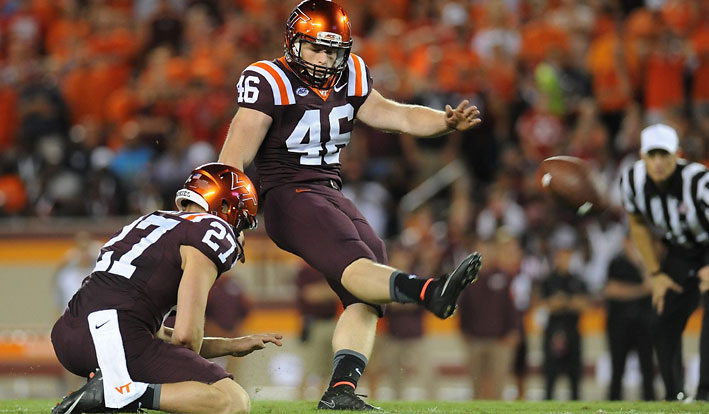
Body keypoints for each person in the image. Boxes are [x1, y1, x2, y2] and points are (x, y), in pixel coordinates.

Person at [218, 0, 483, 410]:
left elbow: (395, 115)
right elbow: (234, 156)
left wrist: (443, 121)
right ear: (294, 42)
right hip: (288, 194)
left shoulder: (353, 73)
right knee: (354, 259)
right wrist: (226, 216)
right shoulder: (268, 78)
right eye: (317, 49)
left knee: (368, 280)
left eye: (333, 50)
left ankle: (341, 391)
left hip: (329, 190)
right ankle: (429, 291)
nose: (326, 59)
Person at [50, 163, 283, 414]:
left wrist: (230, 345)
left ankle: (112, 396)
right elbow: (185, 340)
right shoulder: (213, 232)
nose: (238, 231)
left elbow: (157, 336)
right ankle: (116, 394)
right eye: (240, 222)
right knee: (232, 401)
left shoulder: (154, 220)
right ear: (226, 207)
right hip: (115, 337)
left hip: (70, 335)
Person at [619, 123, 709, 401]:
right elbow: (637, 223)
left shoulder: (700, 181)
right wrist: (655, 273)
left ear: (677, 155)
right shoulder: (632, 180)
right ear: (642, 156)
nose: (658, 162)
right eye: (652, 155)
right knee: (662, 318)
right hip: (680, 251)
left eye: (664, 155)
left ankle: (705, 394)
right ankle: (675, 396)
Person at [604, 236, 655, 401]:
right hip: (619, 324)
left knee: (647, 368)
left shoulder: (647, 263)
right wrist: (640, 290)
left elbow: (653, 285)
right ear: (624, 242)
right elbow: (612, 290)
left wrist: (640, 263)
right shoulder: (616, 263)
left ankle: (650, 403)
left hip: (643, 324)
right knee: (617, 368)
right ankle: (613, 404)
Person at [540, 233, 589, 401]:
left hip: (572, 329)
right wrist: (569, 302)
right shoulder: (548, 280)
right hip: (553, 330)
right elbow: (546, 304)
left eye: (567, 255)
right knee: (550, 377)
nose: (564, 258)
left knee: (575, 376)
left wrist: (564, 301)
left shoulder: (577, 279)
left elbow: (584, 303)